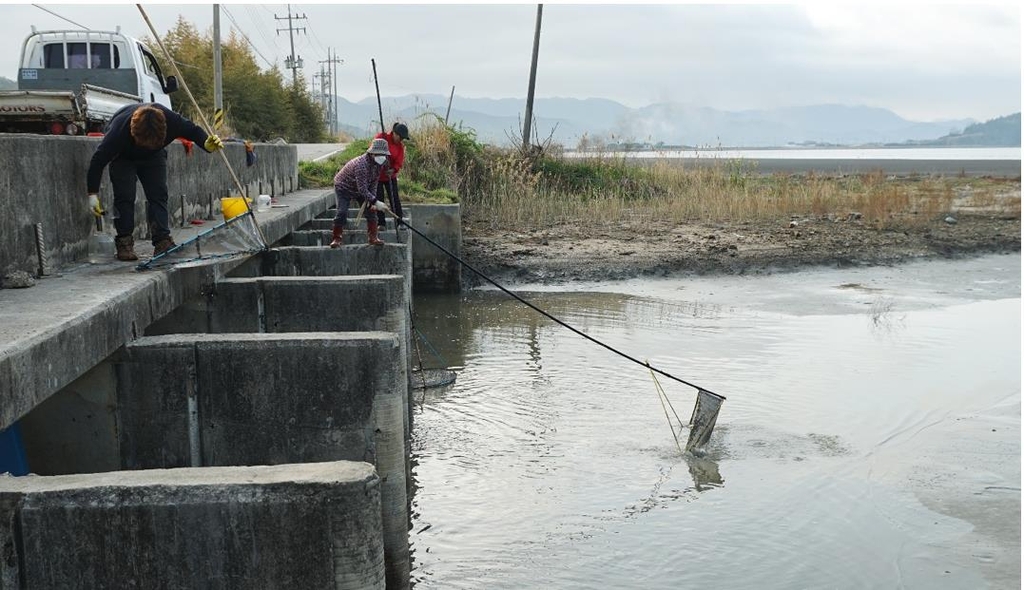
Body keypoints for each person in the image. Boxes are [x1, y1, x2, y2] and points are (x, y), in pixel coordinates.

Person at [86, 103, 224, 261]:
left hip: (154, 156)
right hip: (123, 157)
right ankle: (124, 242)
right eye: (143, 143)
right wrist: (92, 194)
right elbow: (98, 161)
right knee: (125, 196)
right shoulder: (118, 133)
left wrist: (206, 143)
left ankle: (162, 242)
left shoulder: (172, 121)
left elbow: (193, 131)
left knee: (158, 195)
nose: (146, 147)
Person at [330, 138, 390, 248]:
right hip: (344, 187)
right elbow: (362, 189)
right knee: (342, 212)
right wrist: (376, 201)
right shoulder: (361, 165)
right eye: (380, 154)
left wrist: (373, 201)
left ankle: (373, 237)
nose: (382, 156)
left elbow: (374, 183)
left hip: (360, 189)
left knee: (371, 211)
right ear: (372, 153)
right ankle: (336, 238)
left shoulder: (379, 164)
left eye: (384, 154)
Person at [374, 122, 409, 230]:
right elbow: (373, 152)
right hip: (378, 175)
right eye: (400, 137)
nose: (401, 140)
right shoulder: (381, 137)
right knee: (379, 198)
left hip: (390, 176)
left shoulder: (400, 146)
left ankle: (400, 222)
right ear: (395, 134)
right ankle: (381, 223)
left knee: (394, 198)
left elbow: (399, 162)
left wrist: (393, 169)